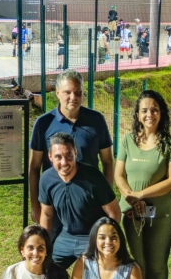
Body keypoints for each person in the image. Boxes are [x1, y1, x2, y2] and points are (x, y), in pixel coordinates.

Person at [115, 90, 171, 279]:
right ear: (137, 114)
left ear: (161, 113)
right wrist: (130, 198)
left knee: (156, 264)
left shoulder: (170, 143)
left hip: (160, 214)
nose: (149, 114)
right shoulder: (127, 140)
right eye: (144, 110)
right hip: (132, 214)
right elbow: (118, 175)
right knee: (137, 262)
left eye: (154, 109)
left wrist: (140, 196)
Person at [29, 70, 114, 225]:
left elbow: (108, 162)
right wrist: (35, 205)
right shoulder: (43, 123)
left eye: (78, 92)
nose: (73, 98)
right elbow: (34, 167)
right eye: (67, 92)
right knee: (53, 246)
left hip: (89, 203)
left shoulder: (97, 120)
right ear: (57, 93)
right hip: (53, 204)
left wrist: (106, 199)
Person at [38, 132, 121, 270]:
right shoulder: (46, 179)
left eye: (69, 155)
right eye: (58, 157)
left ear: (76, 153)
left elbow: (114, 214)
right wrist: (43, 242)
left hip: (91, 237)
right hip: (65, 237)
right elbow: (47, 215)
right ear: (50, 157)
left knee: (92, 277)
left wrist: (104, 240)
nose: (64, 162)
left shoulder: (93, 177)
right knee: (44, 269)